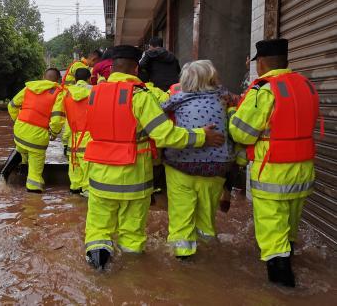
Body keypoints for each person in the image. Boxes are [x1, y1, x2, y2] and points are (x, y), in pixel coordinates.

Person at [83, 45, 225, 270]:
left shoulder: (93, 94)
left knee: (98, 228)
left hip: (99, 175)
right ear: (136, 68)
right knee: (132, 234)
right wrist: (201, 137)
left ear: (111, 67)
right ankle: (133, 276)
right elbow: (165, 135)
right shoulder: (140, 96)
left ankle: (99, 268)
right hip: (134, 177)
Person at [229, 39, 320, 288]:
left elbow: (242, 133)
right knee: (289, 229)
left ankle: (282, 287)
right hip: (303, 169)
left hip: (272, 171)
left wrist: (231, 117)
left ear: (263, 63)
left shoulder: (264, 90)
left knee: (272, 234)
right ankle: (289, 262)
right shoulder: (307, 86)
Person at [162, 60, 235, 259]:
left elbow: (158, 114)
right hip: (217, 167)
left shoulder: (178, 98)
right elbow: (240, 101)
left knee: (181, 213)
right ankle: (209, 250)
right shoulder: (223, 95)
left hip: (181, 165)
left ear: (185, 80)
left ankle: (183, 254)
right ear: (212, 78)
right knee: (206, 216)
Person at [8, 68, 66, 193]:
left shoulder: (29, 87)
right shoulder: (58, 93)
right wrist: (54, 133)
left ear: (43, 76)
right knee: (35, 174)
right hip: (37, 138)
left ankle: (14, 173)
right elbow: (56, 120)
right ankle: (33, 200)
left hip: (19, 131)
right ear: (58, 80)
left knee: (21, 149)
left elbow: (11, 106)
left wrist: (17, 120)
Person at [63, 68, 92, 196]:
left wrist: (65, 141)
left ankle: (74, 188)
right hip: (90, 137)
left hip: (73, 138)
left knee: (74, 165)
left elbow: (66, 120)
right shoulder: (95, 92)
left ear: (75, 79)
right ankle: (86, 189)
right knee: (88, 167)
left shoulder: (67, 93)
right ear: (89, 79)